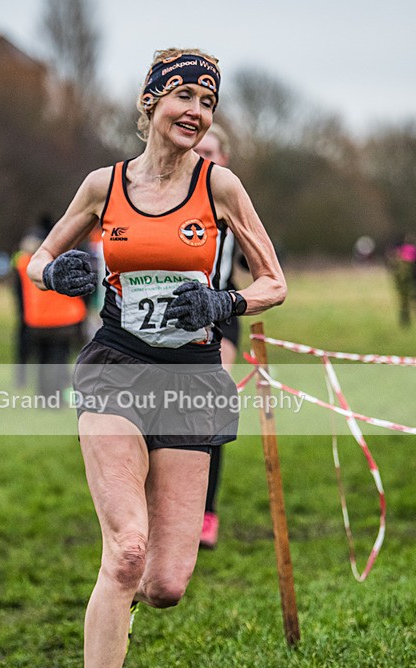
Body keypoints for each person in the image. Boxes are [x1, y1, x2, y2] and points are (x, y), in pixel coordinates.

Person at [28, 47, 286, 668]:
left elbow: (275, 281)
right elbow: (38, 259)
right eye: (183, 98)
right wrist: (62, 272)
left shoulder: (220, 185)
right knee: (126, 553)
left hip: (192, 374)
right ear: (150, 104)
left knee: (166, 582)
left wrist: (223, 300)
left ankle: (128, 592)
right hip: (117, 365)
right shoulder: (101, 185)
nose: (196, 113)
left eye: (207, 103)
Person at [194, 123, 248, 548]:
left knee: (208, 403)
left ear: (224, 158)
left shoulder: (230, 197)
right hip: (171, 315)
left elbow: (260, 261)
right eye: (197, 150)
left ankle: (206, 513)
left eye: (210, 151)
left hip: (222, 312)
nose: (202, 157)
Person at [12, 216, 88, 401]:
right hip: (65, 319)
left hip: (36, 319)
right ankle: (55, 399)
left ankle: (43, 398)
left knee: (42, 361)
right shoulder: (69, 259)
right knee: (59, 361)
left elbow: (18, 291)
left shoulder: (24, 262)